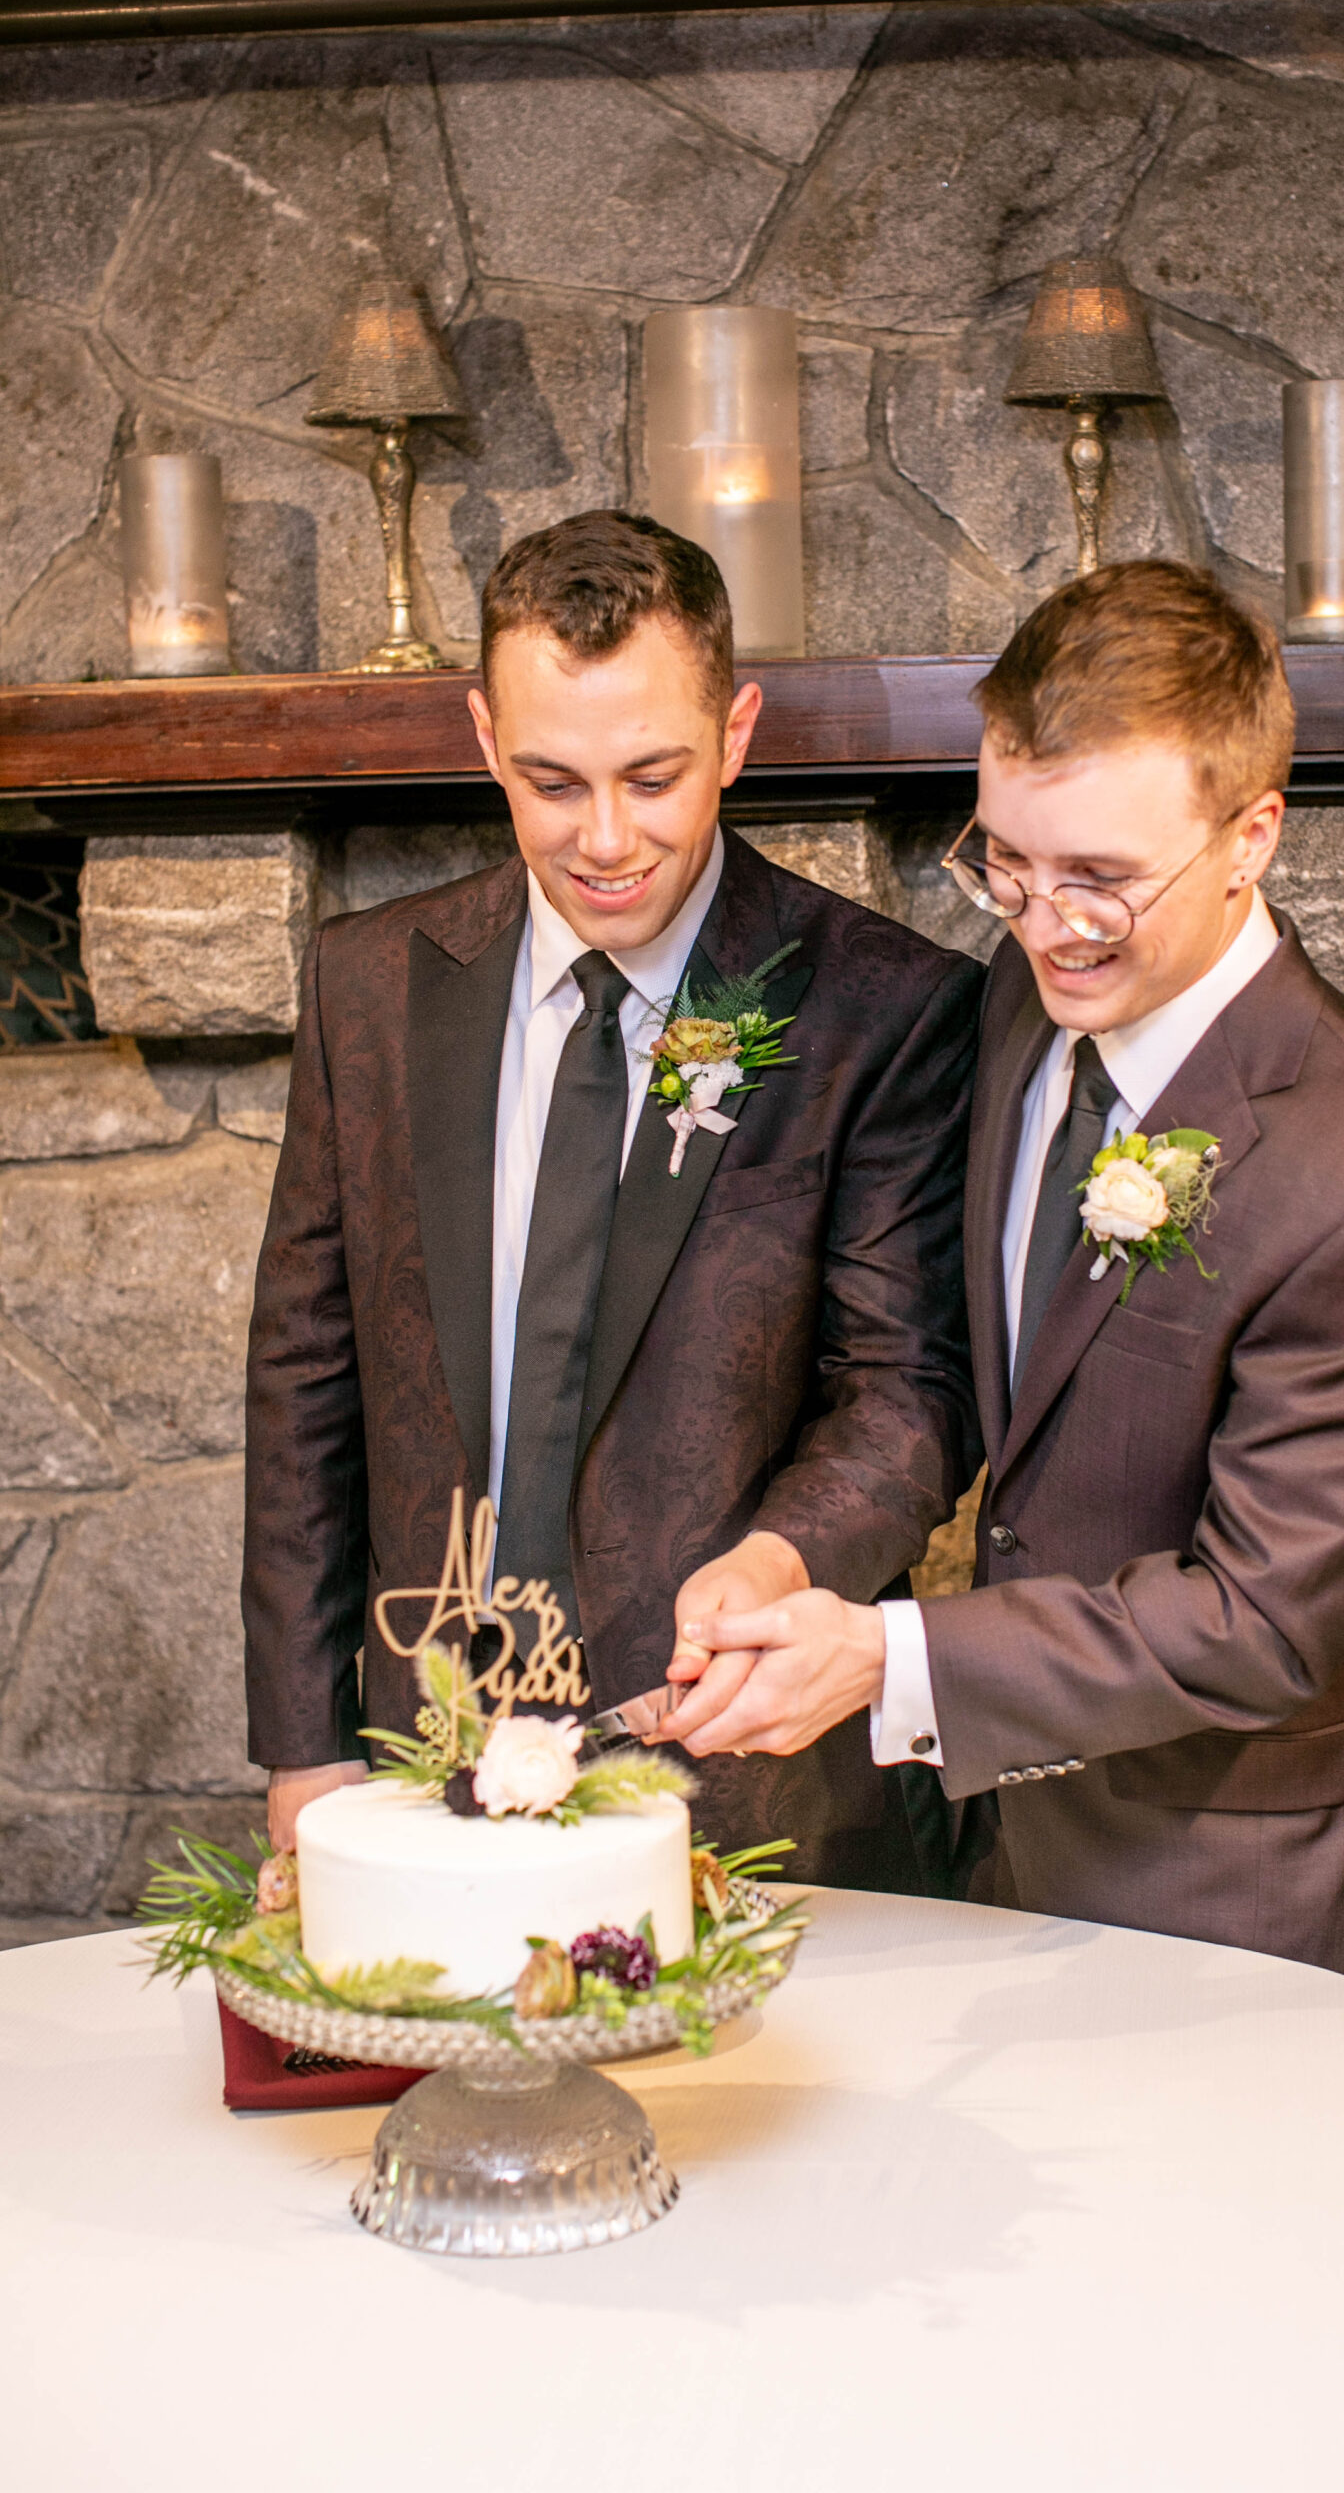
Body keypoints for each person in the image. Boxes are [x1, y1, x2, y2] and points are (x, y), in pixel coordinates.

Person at [656, 559, 1344, 2009]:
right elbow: (991, 1388)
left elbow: (1261, 1622)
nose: (1047, 923)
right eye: (1006, 860)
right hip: (1017, 1860)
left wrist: (887, 1660)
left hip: (1259, 1907)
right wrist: (789, 1557)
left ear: (1251, 837)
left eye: (1103, 878)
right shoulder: (1017, 1008)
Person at [244, 509, 981, 1891]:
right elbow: (306, 1374)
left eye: (653, 777)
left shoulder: (882, 1009)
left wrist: (777, 1564)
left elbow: (908, 1389)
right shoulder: (370, 985)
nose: (604, 840)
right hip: (423, 1752)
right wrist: (304, 1741)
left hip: (739, 1759)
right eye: (550, 782)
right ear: (483, 741)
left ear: (736, 732)